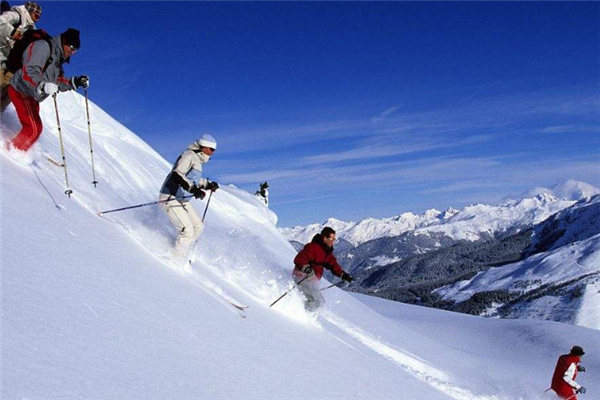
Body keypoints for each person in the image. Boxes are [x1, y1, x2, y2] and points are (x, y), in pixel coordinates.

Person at [6, 27, 89, 151]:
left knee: (33, 128)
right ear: (64, 41)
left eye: (75, 50)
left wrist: (75, 82)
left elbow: (57, 82)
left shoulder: (58, 59)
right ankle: (11, 153)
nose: (72, 52)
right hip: (21, 89)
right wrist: (42, 85)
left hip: (33, 95)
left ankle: (16, 147)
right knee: (34, 129)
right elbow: (28, 71)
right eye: (72, 48)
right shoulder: (43, 47)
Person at [159, 134, 220, 261]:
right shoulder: (188, 156)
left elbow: (193, 179)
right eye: (212, 149)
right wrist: (193, 189)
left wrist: (207, 184)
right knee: (188, 231)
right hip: (170, 196)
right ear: (204, 147)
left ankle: (183, 253)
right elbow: (177, 174)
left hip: (181, 198)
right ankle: (175, 260)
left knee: (198, 226)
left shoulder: (197, 160)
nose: (213, 152)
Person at [293, 227, 353, 312]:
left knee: (320, 301)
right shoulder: (313, 248)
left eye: (334, 239)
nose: (333, 242)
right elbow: (299, 259)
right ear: (325, 238)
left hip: (311, 280)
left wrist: (343, 274)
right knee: (314, 301)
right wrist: (307, 269)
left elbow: (333, 264)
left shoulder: (326, 251)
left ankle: (307, 316)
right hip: (302, 277)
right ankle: (300, 318)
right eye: (332, 239)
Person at [0, 1, 41, 112]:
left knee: (12, 87)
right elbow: (1, 21)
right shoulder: (15, 15)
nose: (38, 19)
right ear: (30, 12)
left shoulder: (31, 31)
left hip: (10, 61)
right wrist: (12, 32)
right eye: (36, 15)